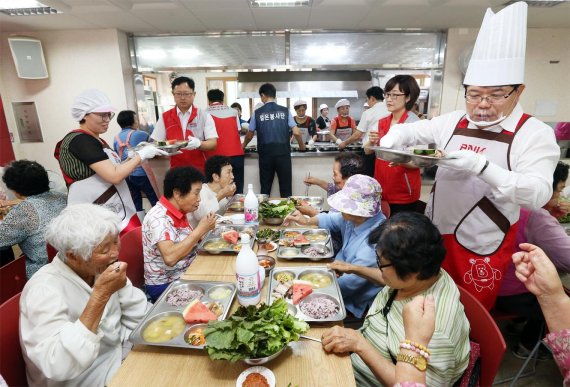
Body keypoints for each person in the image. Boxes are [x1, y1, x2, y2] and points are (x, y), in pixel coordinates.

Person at [378, 2, 559, 309]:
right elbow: (413, 132)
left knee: (468, 314)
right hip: (435, 236)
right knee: (430, 305)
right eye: (474, 94)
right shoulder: (453, 121)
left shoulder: (534, 133)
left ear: (519, 91)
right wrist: (394, 138)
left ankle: (470, 358)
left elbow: (537, 195)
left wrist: (482, 166)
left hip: (483, 243)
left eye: (496, 94)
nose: (482, 104)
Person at [322, 212, 470, 386]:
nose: (378, 266)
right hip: (354, 357)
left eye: (380, 262)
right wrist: (353, 268)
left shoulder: (435, 328)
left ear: (411, 270)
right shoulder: (423, 273)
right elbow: (385, 276)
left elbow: (415, 383)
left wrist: (360, 345)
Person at [19, 203, 149, 386]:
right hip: (85, 379)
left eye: (116, 240)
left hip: (121, 357)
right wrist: (100, 296)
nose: (115, 252)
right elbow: (56, 363)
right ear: (72, 256)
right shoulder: (44, 290)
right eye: (104, 249)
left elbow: (138, 315)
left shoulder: (101, 268)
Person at [54, 89, 166, 235]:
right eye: (102, 115)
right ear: (84, 115)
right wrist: (140, 155)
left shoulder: (97, 140)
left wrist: (136, 156)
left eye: (108, 114)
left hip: (107, 212)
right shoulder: (80, 140)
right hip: (92, 216)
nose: (107, 119)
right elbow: (114, 175)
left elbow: (115, 169)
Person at [496, 161, 570, 358]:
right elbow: (567, 258)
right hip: (512, 294)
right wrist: (548, 219)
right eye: (559, 190)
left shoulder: (507, 200)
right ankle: (528, 346)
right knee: (556, 297)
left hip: (490, 285)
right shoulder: (537, 217)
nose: (560, 196)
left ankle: (516, 324)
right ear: (545, 188)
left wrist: (550, 214)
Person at [285, 174, 385, 318]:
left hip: (352, 299)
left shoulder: (375, 240)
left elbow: (349, 284)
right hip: (335, 272)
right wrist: (305, 221)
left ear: (360, 211)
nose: (340, 209)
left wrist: (306, 289)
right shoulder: (353, 218)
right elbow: (330, 219)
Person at [142, 166, 216, 302]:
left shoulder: (179, 212)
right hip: (166, 284)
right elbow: (170, 258)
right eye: (196, 193)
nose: (199, 199)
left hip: (187, 271)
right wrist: (200, 230)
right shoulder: (158, 218)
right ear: (177, 193)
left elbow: (186, 243)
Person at [511, 243, 570, 385]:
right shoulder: (541, 221)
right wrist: (549, 294)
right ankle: (527, 345)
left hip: (502, 292)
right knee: (538, 313)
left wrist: (550, 294)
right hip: (515, 292)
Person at [366, 75, 422, 215]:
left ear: (408, 98)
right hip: (381, 190)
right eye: (388, 94)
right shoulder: (381, 122)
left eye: (395, 95)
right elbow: (368, 151)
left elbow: (419, 162)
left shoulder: (416, 125)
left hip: (404, 193)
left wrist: (399, 160)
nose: (389, 99)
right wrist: (371, 142)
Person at [0, 160, 66, 278]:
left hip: (45, 272)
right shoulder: (62, 197)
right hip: (70, 261)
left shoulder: (25, 210)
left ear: (16, 190)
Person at [242, 83, 305, 197]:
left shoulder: (257, 113)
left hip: (265, 155)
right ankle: (288, 214)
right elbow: (296, 132)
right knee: (286, 190)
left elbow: (249, 135)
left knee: (265, 189)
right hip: (283, 154)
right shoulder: (285, 111)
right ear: (274, 95)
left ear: (263, 95)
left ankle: (264, 214)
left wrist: (242, 146)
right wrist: (302, 147)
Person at [151, 76, 218, 172]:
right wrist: (168, 145)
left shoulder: (204, 116)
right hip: (176, 170)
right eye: (178, 94)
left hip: (200, 170)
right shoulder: (165, 117)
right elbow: (157, 143)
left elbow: (213, 144)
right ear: (173, 94)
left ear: (194, 94)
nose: (182, 98)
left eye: (187, 94)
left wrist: (199, 144)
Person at [113, 110, 159, 214]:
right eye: (136, 119)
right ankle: (155, 221)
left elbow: (117, 156)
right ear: (132, 121)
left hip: (126, 175)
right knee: (153, 198)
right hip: (141, 173)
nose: (137, 121)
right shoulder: (140, 134)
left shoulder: (115, 138)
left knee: (135, 201)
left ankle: (139, 226)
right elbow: (155, 144)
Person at [300, 152, 365, 217]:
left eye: (335, 174)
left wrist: (311, 212)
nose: (333, 177)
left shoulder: (353, 204)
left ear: (349, 177)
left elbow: (334, 223)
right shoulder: (353, 188)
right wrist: (317, 182)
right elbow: (334, 188)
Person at [205, 89, 245, 193]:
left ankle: (218, 209)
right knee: (237, 187)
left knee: (216, 189)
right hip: (236, 154)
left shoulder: (204, 113)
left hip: (215, 158)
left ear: (209, 101)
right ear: (223, 100)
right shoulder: (233, 111)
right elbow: (238, 130)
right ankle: (238, 208)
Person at [187, 155, 236, 228]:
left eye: (232, 172)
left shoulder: (222, 191)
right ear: (216, 177)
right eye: (228, 172)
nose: (232, 176)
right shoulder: (201, 190)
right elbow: (200, 215)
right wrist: (221, 195)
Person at [339, 86, 389, 150]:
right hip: (385, 149)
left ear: (372, 98)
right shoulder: (390, 110)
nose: (367, 103)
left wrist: (344, 143)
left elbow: (357, 135)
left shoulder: (368, 113)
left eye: (367, 100)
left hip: (370, 149)